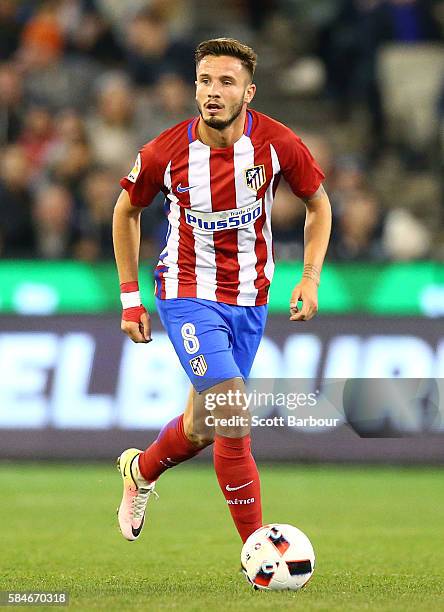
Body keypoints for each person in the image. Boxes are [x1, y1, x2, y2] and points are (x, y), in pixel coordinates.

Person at [112, 38, 332, 545]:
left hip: (250, 298)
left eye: (226, 82)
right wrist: (130, 297)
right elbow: (126, 211)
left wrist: (310, 277)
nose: (213, 92)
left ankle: (140, 471)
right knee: (233, 410)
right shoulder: (164, 152)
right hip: (186, 290)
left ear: (248, 92)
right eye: (205, 81)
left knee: (201, 428)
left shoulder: (278, 143)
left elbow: (318, 205)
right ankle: (260, 550)